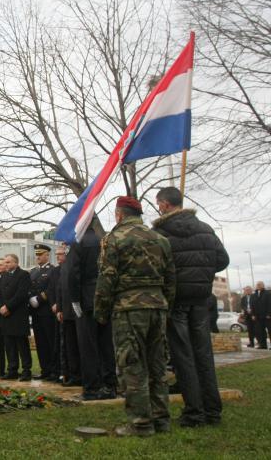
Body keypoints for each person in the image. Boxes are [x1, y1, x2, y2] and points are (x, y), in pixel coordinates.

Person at [95, 196, 176, 437]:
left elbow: (107, 278)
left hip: (129, 309)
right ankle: (161, 419)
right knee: (157, 364)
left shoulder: (114, 238)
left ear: (119, 214)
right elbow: (171, 279)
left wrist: (100, 311)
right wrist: (165, 307)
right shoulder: (161, 239)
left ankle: (140, 423)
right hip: (157, 307)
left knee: (132, 364)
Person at [153, 186, 229, 427]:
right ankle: (212, 411)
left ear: (165, 204)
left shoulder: (162, 232)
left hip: (177, 301)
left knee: (183, 355)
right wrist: (202, 273)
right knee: (203, 354)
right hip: (201, 299)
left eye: (158, 203)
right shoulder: (206, 230)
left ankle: (194, 412)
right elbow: (222, 260)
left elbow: (158, 265)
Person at [68, 224, 117, 400]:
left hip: (87, 298)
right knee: (106, 344)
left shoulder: (79, 242)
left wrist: (74, 299)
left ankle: (92, 388)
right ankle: (110, 385)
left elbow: (73, 273)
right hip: (105, 296)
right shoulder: (104, 240)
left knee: (88, 345)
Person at [0, 255, 32, 381]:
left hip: (18, 314)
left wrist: (8, 307)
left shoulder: (23, 275)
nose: (5, 264)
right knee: (9, 344)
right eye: (4, 262)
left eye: (8, 262)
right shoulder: (4, 276)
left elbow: (21, 294)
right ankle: (12, 370)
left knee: (22, 344)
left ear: (15, 262)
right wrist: (1, 307)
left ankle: (26, 371)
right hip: (5, 316)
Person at [50, 244, 81, 386]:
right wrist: (60, 309)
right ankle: (71, 374)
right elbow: (60, 290)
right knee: (69, 346)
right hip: (66, 313)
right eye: (57, 254)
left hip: (78, 312)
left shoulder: (74, 265)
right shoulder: (62, 269)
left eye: (61, 253)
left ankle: (80, 374)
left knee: (79, 345)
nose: (58, 256)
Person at [29, 244, 57, 380]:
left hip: (47, 311)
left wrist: (39, 298)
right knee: (40, 342)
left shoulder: (53, 270)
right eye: (37, 255)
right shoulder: (33, 272)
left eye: (41, 254)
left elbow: (52, 288)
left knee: (50, 340)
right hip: (35, 312)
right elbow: (29, 288)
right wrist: (30, 298)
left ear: (47, 255)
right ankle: (44, 369)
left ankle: (54, 370)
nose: (38, 257)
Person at [250, 281, 269, 349]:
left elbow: (270, 304)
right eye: (257, 285)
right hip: (258, 317)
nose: (258, 286)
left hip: (267, 316)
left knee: (270, 330)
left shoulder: (268, 293)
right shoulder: (254, 295)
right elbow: (252, 305)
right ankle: (263, 345)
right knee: (260, 332)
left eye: (259, 284)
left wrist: (269, 314)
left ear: (263, 285)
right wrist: (253, 315)